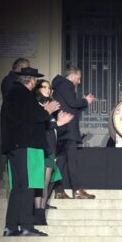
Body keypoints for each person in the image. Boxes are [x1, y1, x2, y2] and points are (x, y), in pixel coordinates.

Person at [1, 67, 60, 236]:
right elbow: (36, 116)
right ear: (32, 81)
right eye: (35, 81)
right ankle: (26, 226)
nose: (35, 84)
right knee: (28, 186)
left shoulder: (12, 94)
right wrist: (47, 110)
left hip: (15, 147)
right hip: (27, 145)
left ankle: (11, 226)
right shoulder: (24, 94)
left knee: (18, 187)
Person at [32, 79, 74, 223]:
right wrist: (55, 120)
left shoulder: (49, 108)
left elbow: (52, 128)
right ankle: (38, 212)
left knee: (47, 181)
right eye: (44, 87)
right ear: (37, 89)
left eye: (49, 88)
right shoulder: (36, 106)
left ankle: (41, 212)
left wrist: (60, 123)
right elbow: (38, 126)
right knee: (39, 182)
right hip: (40, 149)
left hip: (50, 148)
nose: (48, 90)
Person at [51, 66, 96, 199]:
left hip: (64, 129)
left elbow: (71, 107)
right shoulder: (67, 84)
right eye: (78, 78)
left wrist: (84, 103)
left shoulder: (60, 86)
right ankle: (77, 189)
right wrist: (85, 101)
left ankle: (59, 191)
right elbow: (73, 103)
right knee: (72, 161)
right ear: (72, 76)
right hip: (68, 129)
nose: (79, 81)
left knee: (61, 161)